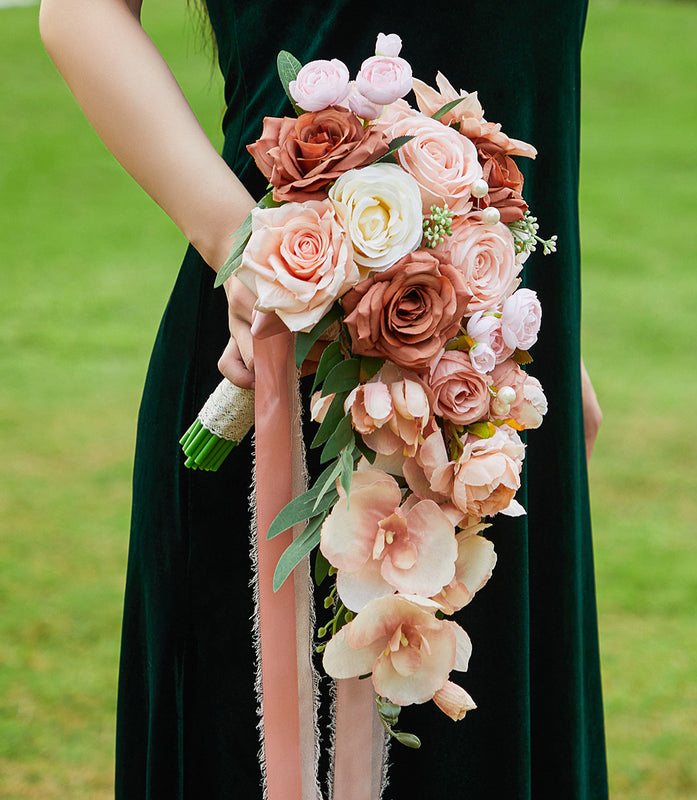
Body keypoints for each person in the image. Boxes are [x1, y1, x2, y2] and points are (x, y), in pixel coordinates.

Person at [40, 1, 606, 798]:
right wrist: (245, 252)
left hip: (488, 385)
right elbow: (77, 13)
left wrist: (538, 329)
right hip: (277, 360)